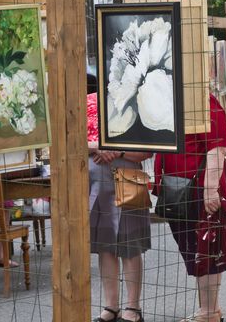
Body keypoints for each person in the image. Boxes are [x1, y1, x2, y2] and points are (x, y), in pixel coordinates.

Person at [154, 94, 226, 322]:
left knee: (204, 250)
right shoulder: (173, 100)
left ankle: (208, 311)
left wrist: (210, 189)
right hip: (178, 190)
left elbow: (217, 148)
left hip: (196, 189)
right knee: (195, 249)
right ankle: (211, 309)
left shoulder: (204, 101)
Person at [88, 73, 152, 322]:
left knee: (130, 246)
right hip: (96, 183)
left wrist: (117, 150)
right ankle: (111, 306)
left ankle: (132, 307)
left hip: (128, 180)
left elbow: (148, 150)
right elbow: (70, 139)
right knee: (105, 247)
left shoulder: (138, 102)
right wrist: (97, 147)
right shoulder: (87, 103)